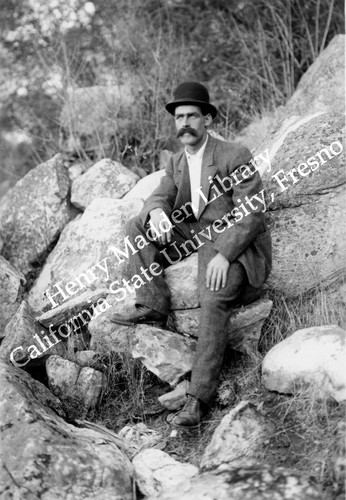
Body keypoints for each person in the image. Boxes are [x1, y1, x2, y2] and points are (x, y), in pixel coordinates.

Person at [111, 82, 272, 427]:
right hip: (195, 232)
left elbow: (253, 213)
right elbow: (160, 196)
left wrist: (225, 254)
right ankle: (152, 303)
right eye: (179, 117)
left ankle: (198, 398)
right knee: (135, 227)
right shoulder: (176, 161)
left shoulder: (235, 155)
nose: (184, 123)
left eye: (191, 116)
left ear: (208, 120)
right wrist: (156, 212)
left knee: (213, 297)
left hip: (231, 237)